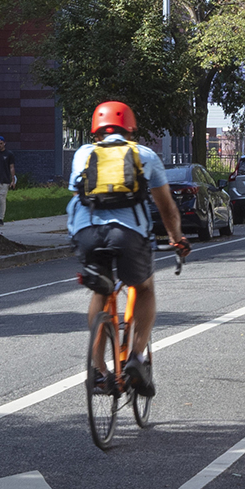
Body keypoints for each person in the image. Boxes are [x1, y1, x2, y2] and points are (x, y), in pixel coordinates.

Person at [69, 99, 188, 394]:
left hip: (87, 234)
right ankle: (136, 357)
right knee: (145, 287)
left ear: (96, 130)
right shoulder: (144, 155)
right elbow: (167, 207)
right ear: (130, 129)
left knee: (101, 289)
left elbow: (75, 196)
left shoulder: (83, 154)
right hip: (129, 235)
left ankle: (98, 372)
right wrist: (177, 238)